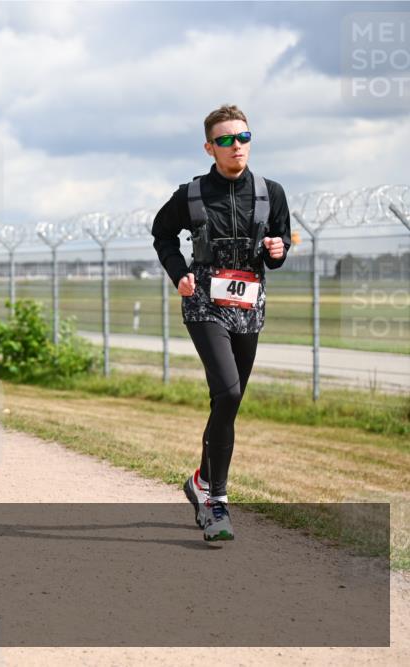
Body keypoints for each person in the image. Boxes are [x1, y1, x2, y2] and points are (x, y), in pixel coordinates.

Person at [152, 104, 290, 544]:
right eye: (227, 140)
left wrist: (277, 249)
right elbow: (162, 234)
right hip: (204, 303)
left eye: (243, 138)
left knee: (229, 402)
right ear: (210, 147)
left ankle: (200, 479)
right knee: (227, 391)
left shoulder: (271, 192)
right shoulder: (191, 195)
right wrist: (180, 274)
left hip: (249, 304)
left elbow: (282, 243)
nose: (237, 147)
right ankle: (216, 502)